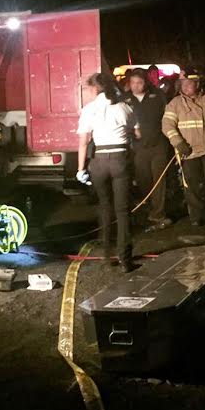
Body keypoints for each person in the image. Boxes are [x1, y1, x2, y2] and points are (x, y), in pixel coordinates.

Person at [77, 72, 138, 270]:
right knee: (122, 210)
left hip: (99, 161)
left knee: (104, 207)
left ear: (95, 89)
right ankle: (125, 259)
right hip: (120, 159)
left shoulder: (89, 109)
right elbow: (137, 132)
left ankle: (106, 256)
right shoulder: (124, 107)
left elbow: (83, 142)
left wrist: (80, 169)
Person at [162, 66, 205, 226]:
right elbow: (167, 125)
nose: (185, 86)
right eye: (183, 83)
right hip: (189, 152)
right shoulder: (175, 104)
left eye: (189, 83)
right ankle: (197, 217)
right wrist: (179, 143)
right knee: (192, 186)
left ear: (198, 83)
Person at [124, 69, 172, 232]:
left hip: (159, 144)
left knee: (159, 180)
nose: (136, 86)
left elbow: (168, 116)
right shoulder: (125, 99)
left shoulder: (158, 96)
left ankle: (158, 213)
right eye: (133, 83)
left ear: (146, 82)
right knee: (143, 180)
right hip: (138, 148)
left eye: (139, 82)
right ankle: (147, 207)